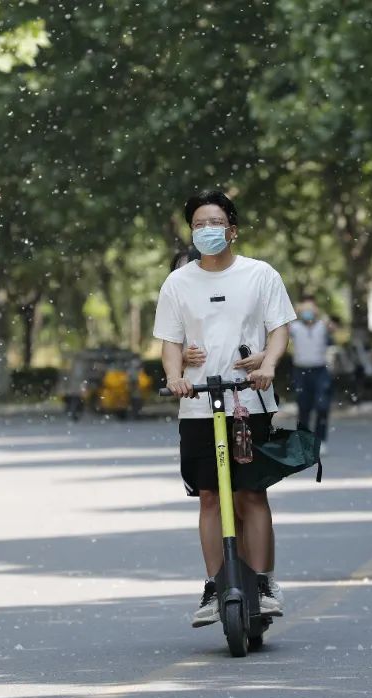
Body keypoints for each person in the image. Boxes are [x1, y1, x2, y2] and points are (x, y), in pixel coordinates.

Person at [153, 188, 296, 628]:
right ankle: (215, 586)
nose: (207, 231)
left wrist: (268, 364)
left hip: (247, 401)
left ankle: (266, 583)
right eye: (198, 225)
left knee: (251, 493)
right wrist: (176, 377)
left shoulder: (261, 275)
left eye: (215, 223)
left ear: (232, 229)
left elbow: (278, 331)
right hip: (198, 406)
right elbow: (170, 344)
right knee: (211, 497)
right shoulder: (178, 283)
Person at [288, 295, 334, 449]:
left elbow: (333, 329)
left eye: (310, 309)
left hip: (320, 371)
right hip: (300, 371)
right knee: (303, 407)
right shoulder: (295, 327)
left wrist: (324, 319)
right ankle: (304, 440)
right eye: (305, 310)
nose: (308, 312)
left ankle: (321, 440)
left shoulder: (322, 326)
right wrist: (296, 311)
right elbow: (281, 330)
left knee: (322, 406)